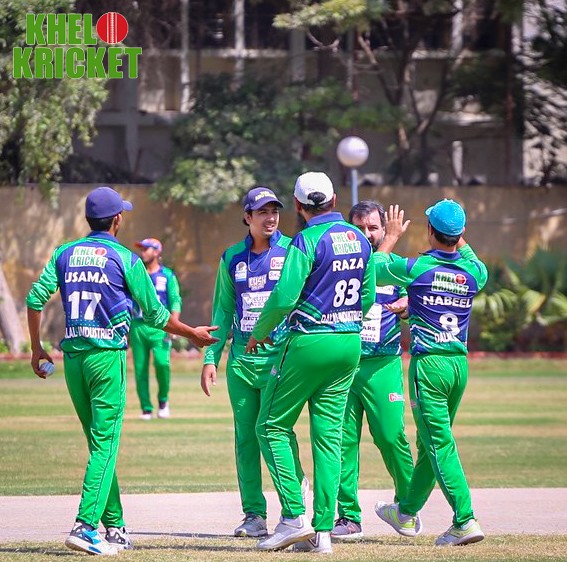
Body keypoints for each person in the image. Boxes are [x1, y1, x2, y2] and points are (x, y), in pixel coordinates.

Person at [26, 186, 218, 556]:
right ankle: (85, 527)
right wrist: (191, 333)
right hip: (106, 358)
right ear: (117, 220)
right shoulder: (126, 259)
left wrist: (36, 349)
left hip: (74, 361)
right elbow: (156, 314)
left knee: (100, 444)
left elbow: (34, 299)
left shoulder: (64, 252)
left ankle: (114, 527)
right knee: (105, 444)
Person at [246, 172, 376, 554]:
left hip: (309, 341)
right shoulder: (359, 238)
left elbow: (285, 296)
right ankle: (322, 533)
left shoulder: (306, 239)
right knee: (328, 436)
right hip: (349, 342)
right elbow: (368, 296)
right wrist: (345, 320)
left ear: (298, 207)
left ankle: (293, 516)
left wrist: (259, 331)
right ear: (334, 200)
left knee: (269, 426)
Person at [373, 200, 488, 546]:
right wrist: (457, 234)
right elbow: (473, 261)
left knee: (439, 444)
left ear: (429, 232)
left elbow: (373, 268)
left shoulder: (418, 267)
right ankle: (406, 511)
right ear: (461, 234)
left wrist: (390, 236)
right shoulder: (474, 273)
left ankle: (465, 520)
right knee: (428, 443)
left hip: (430, 367)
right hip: (458, 367)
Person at [200, 187, 307, 538]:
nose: (270, 218)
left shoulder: (293, 250)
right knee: (246, 437)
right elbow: (222, 310)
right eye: (262, 212)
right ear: (247, 217)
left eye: (274, 211)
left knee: (277, 431)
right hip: (242, 363)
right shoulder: (232, 257)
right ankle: (254, 515)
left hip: (281, 359)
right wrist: (211, 357)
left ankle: (294, 496)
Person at [332, 200, 417, 541]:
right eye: (359, 228)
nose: (366, 234)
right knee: (341, 442)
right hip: (344, 364)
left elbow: (417, 298)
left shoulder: (395, 265)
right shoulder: (339, 265)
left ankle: (407, 507)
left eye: (373, 228)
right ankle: (348, 517)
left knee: (390, 435)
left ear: (384, 230)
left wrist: (407, 305)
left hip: (383, 363)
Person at [130, 237, 181, 420]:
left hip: (160, 326)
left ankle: (163, 401)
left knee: (162, 363)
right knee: (140, 368)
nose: (143, 252)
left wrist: (174, 326)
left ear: (157, 251)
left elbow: (175, 300)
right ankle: (146, 408)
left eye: (146, 249)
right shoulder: (136, 273)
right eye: (142, 249)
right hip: (138, 325)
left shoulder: (167, 275)